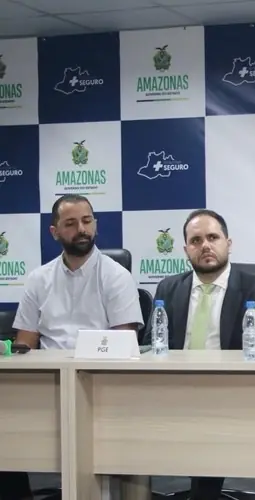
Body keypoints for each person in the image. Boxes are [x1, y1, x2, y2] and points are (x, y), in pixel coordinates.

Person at [6, 194, 144, 499]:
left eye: (86, 221)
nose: (81, 229)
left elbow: (124, 344)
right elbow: (24, 343)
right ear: (54, 232)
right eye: (70, 223)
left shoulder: (116, 276)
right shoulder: (38, 279)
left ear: (95, 225)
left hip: (100, 386)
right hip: (46, 385)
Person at [147, 209, 255, 500]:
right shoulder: (169, 288)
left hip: (232, 391)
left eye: (213, 237)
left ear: (228, 243)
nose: (205, 245)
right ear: (186, 249)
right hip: (173, 388)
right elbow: (150, 345)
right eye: (196, 241)